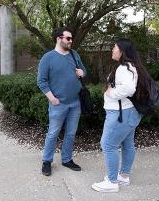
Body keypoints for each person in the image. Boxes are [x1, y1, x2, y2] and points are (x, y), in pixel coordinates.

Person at [92, 39, 148, 193]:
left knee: (108, 145)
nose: (112, 50)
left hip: (120, 114)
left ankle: (111, 181)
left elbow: (129, 89)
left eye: (114, 47)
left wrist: (111, 92)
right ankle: (123, 176)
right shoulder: (130, 66)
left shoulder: (124, 68)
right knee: (127, 144)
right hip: (128, 113)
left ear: (122, 50)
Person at [37, 26, 86, 176]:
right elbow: (42, 81)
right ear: (59, 38)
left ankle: (66, 159)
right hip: (58, 104)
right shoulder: (48, 58)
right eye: (68, 38)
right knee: (53, 133)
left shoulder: (74, 54)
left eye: (71, 38)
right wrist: (52, 99)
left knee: (71, 133)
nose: (71, 41)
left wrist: (82, 73)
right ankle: (47, 161)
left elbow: (84, 71)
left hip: (75, 103)